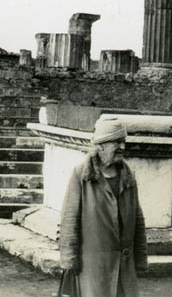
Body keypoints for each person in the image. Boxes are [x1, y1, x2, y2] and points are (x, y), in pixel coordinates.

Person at [59, 118, 148, 297]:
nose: (122, 146)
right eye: (116, 142)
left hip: (124, 267)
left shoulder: (128, 175)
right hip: (93, 267)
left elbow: (138, 219)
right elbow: (69, 219)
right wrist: (69, 259)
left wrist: (140, 258)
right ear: (100, 146)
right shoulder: (81, 175)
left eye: (123, 141)